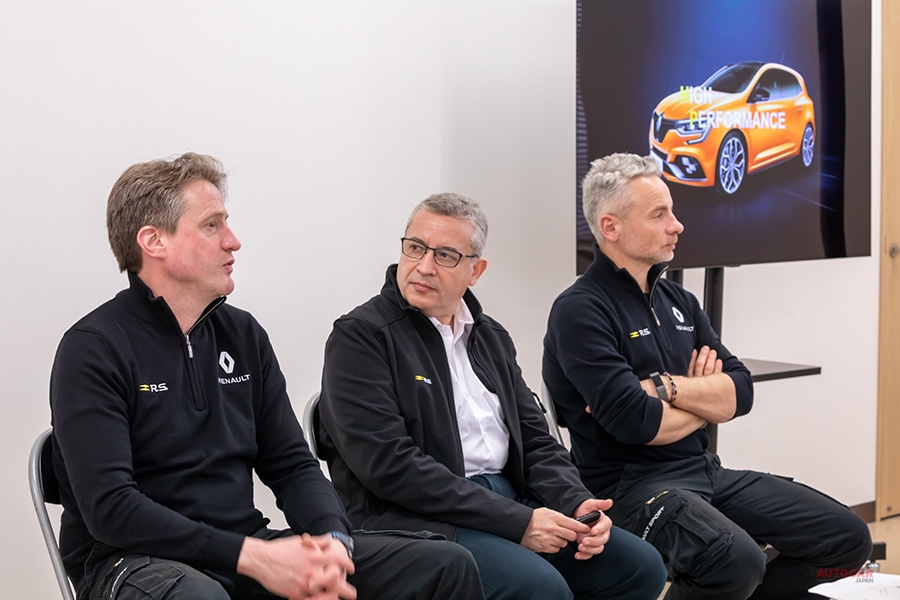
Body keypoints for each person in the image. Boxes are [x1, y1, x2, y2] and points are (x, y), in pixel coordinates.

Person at [49, 153, 483, 600]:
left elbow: (291, 464)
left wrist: (332, 541)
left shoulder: (242, 335)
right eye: (212, 225)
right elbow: (111, 509)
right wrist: (252, 556)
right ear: (154, 241)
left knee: (443, 566)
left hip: (241, 549)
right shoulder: (93, 348)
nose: (233, 241)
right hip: (132, 562)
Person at [542, 152, 873, 599]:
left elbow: (740, 392)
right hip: (630, 489)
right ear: (611, 227)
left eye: (672, 212)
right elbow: (637, 423)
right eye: (659, 215)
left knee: (847, 539)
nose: (676, 225)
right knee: (734, 559)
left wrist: (667, 388)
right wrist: (705, 400)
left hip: (704, 471)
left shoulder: (680, 302)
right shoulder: (580, 310)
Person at [318, 192, 667, 600]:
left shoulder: (490, 337)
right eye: (415, 248)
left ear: (475, 270)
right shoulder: (361, 336)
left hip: (507, 496)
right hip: (415, 516)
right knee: (541, 588)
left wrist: (577, 503)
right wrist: (519, 522)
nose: (424, 266)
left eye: (445, 255)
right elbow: (391, 467)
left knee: (640, 568)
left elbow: (535, 440)